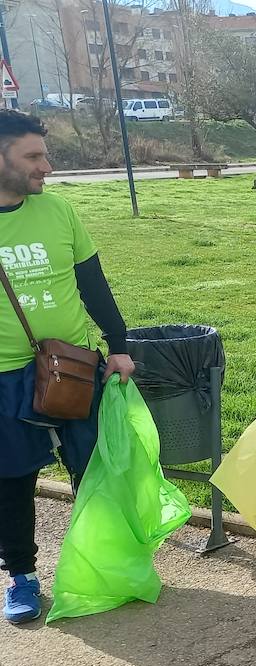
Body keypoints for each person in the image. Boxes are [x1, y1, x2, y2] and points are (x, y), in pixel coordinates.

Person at [0, 110, 135, 625]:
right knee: (11, 479)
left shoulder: (59, 211)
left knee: (93, 469)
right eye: (33, 156)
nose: (47, 167)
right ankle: (22, 577)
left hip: (73, 366)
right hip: (6, 376)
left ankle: (99, 563)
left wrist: (117, 344)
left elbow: (93, 283)